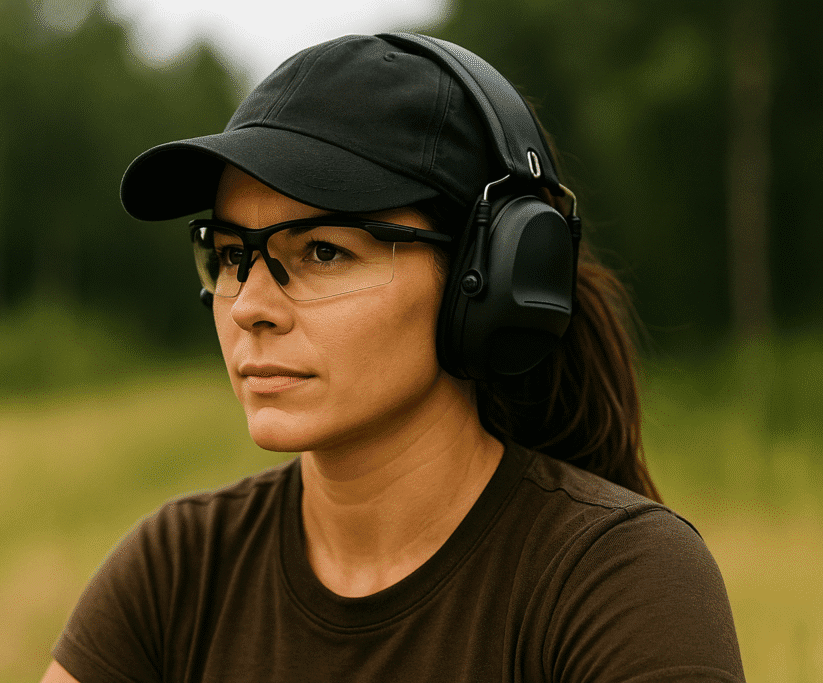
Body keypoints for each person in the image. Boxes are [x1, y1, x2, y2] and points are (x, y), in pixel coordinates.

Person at [41, 33, 744, 682]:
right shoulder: (178, 571)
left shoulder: (616, 579)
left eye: (322, 250)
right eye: (231, 255)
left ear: (490, 275)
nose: (250, 305)